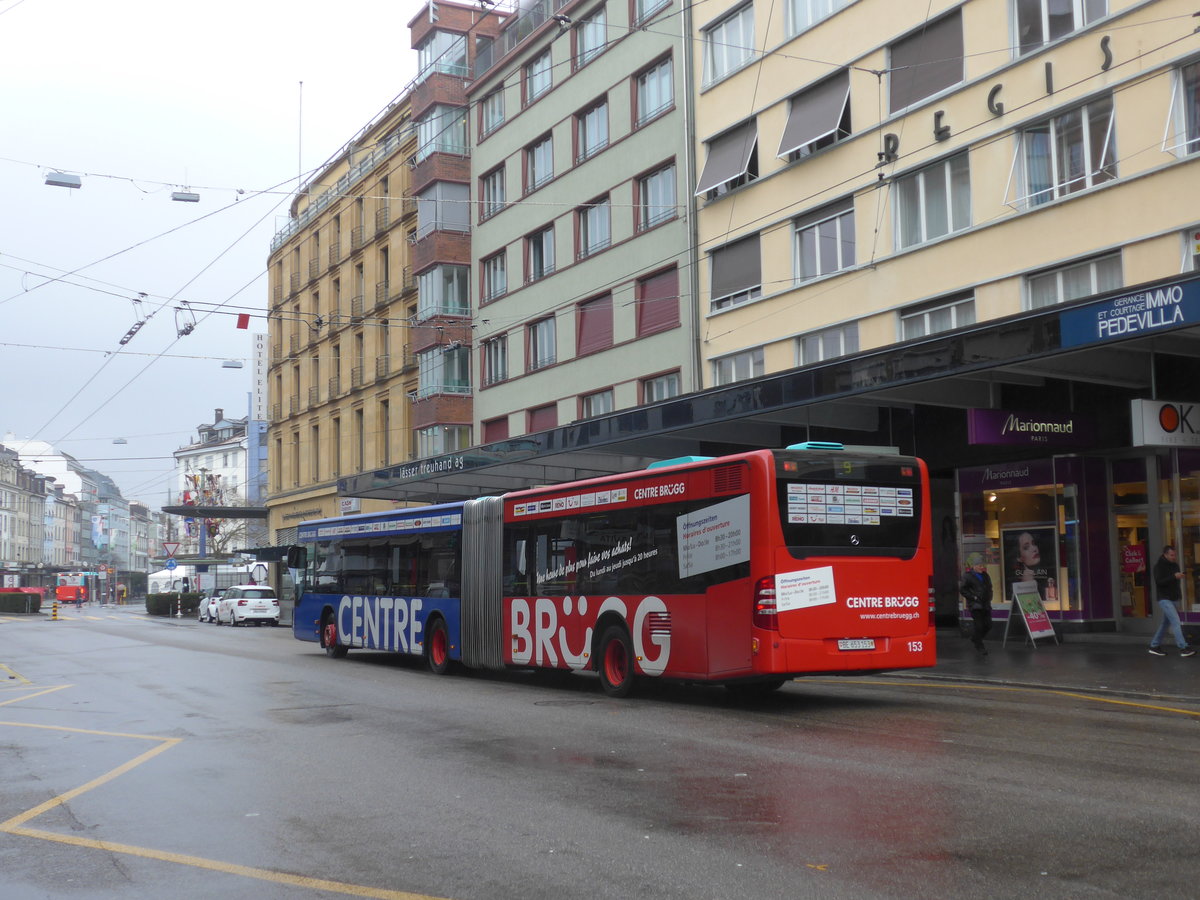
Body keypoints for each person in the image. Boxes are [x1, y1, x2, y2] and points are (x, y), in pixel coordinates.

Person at [1149, 545, 1195, 657]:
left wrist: (1178, 578)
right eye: (1171, 555)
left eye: (1174, 555)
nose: (1174, 557)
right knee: (1176, 621)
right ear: (1165, 554)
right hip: (1164, 598)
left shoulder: (1175, 565)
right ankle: (1183, 647)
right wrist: (1174, 577)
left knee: (1165, 623)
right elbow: (1159, 582)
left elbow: (1174, 582)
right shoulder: (1158, 566)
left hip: (1174, 598)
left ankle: (1154, 646)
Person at [960, 553, 993, 655]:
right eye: (979, 565)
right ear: (974, 566)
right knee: (979, 626)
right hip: (975, 605)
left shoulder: (985, 575)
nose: (981, 567)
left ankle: (975, 638)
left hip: (985, 604)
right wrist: (973, 597)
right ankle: (980, 646)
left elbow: (989, 587)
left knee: (988, 625)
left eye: (982, 565)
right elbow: (962, 589)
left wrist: (990, 596)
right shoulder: (968, 576)